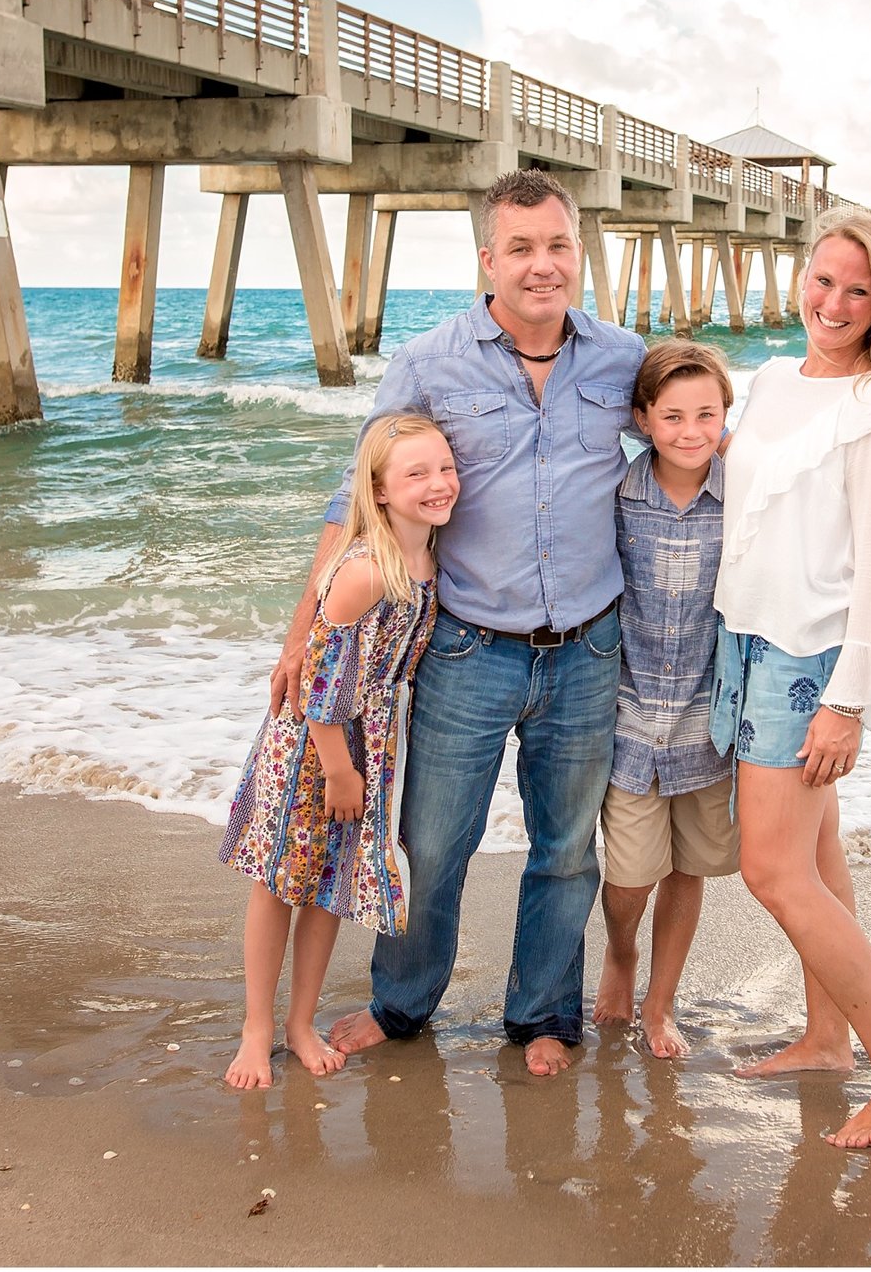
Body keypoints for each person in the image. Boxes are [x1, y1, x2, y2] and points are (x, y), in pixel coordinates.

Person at [273, 168, 647, 1078]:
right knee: (433, 842)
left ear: (578, 252)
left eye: (557, 245)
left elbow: (690, 443)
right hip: (469, 645)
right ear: (489, 258)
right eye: (521, 248)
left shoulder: (621, 357)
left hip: (591, 647)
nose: (542, 265)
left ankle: (543, 1016)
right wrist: (301, 637)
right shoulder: (429, 362)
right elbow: (354, 496)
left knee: (566, 850)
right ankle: (402, 1002)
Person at [713, 204, 871, 1148]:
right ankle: (826, 1038)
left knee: (772, 871)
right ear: (800, 275)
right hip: (742, 636)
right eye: (823, 279)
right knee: (815, 858)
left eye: (858, 288)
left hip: (807, 657)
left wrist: (847, 701)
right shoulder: (767, 382)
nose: (835, 302)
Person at [220, 413, 455, 1088]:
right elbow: (318, 679)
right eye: (416, 474)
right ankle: (256, 1027)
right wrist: (339, 767)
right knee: (280, 883)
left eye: (445, 469)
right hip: (316, 748)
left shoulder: (426, 554)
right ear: (378, 489)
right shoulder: (363, 570)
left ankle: (301, 1022)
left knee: (328, 886)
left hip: (368, 745)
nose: (438, 484)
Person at [593, 339, 736, 1060]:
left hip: (711, 722)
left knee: (689, 868)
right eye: (673, 415)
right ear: (643, 418)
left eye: (706, 415)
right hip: (632, 715)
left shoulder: (744, 491)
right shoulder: (616, 496)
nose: (690, 430)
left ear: (725, 417)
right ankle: (621, 954)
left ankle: (661, 1001)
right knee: (629, 878)